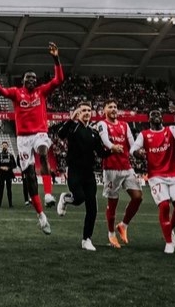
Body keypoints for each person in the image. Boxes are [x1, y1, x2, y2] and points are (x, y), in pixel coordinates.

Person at [0, 43, 64, 233]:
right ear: (23, 80)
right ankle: (41, 216)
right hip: (22, 139)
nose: (32, 80)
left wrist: (56, 59)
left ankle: (48, 195)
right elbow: (1, 93)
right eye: (29, 78)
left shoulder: (41, 91)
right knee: (28, 176)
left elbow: (59, 80)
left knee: (43, 153)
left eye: (34, 78)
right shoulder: (15, 92)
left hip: (39, 134)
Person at [56, 101, 118, 251]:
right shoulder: (73, 127)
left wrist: (113, 150)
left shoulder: (94, 132)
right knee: (79, 198)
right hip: (75, 171)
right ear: (78, 112)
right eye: (83, 110)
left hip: (89, 173)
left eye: (89, 110)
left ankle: (86, 239)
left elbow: (101, 153)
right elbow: (60, 134)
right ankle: (65, 198)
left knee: (92, 208)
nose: (86, 113)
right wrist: (71, 119)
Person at [131, 105, 175, 254]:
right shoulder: (144, 134)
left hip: (174, 176)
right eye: (153, 114)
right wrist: (139, 153)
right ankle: (169, 242)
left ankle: (168, 230)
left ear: (162, 118)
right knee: (164, 206)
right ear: (149, 119)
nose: (156, 115)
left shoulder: (170, 130)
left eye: (158, 113)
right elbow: (133, 150)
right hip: (156, 176)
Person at [93, 99, 143, 248]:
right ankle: (111, 235)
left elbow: (132, 144)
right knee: (112, 205)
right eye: (110, 107)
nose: (114, 109)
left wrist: (137, 151)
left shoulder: (125, 125)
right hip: (111, 169)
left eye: (115, 107)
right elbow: (105, 140)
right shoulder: (102, 124)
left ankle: (123, 225)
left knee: (138, 197)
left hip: (127, 167)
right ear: (104, 110)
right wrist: (113, 146)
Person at [0, 141, 17, 207]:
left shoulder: (11, 155)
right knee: (1, 189)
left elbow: (14, 165)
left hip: (9, 175)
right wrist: (1, 167)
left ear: (7, 146)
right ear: (1, 146)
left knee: (9, 189)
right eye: (3, 145)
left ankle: (10, 204)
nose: (4, 146)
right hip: (1, 175)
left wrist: (8, 168)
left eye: (5, 145)